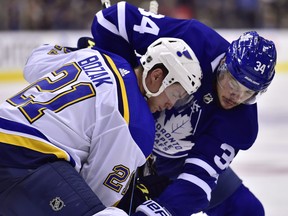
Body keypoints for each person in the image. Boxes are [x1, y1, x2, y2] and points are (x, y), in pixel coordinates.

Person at [88, 1, 277, 215]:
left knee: (247, 210)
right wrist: (123, 79)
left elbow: (196, 183)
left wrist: (159, 211)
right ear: (224, 62)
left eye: (249, 92)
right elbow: (112, 19)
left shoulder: (241, 123)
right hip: (119, 144)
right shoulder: (194, 41)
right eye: (234, 83)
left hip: (175, 165)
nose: (237, 96)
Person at [0, 37, 202, 215]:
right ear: (156, 76)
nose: (170, 105)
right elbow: (100, 195)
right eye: (175, 94)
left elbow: (35, 61)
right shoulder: (136, 124)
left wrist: (78, 51)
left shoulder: (98, 56)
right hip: (29, 161)